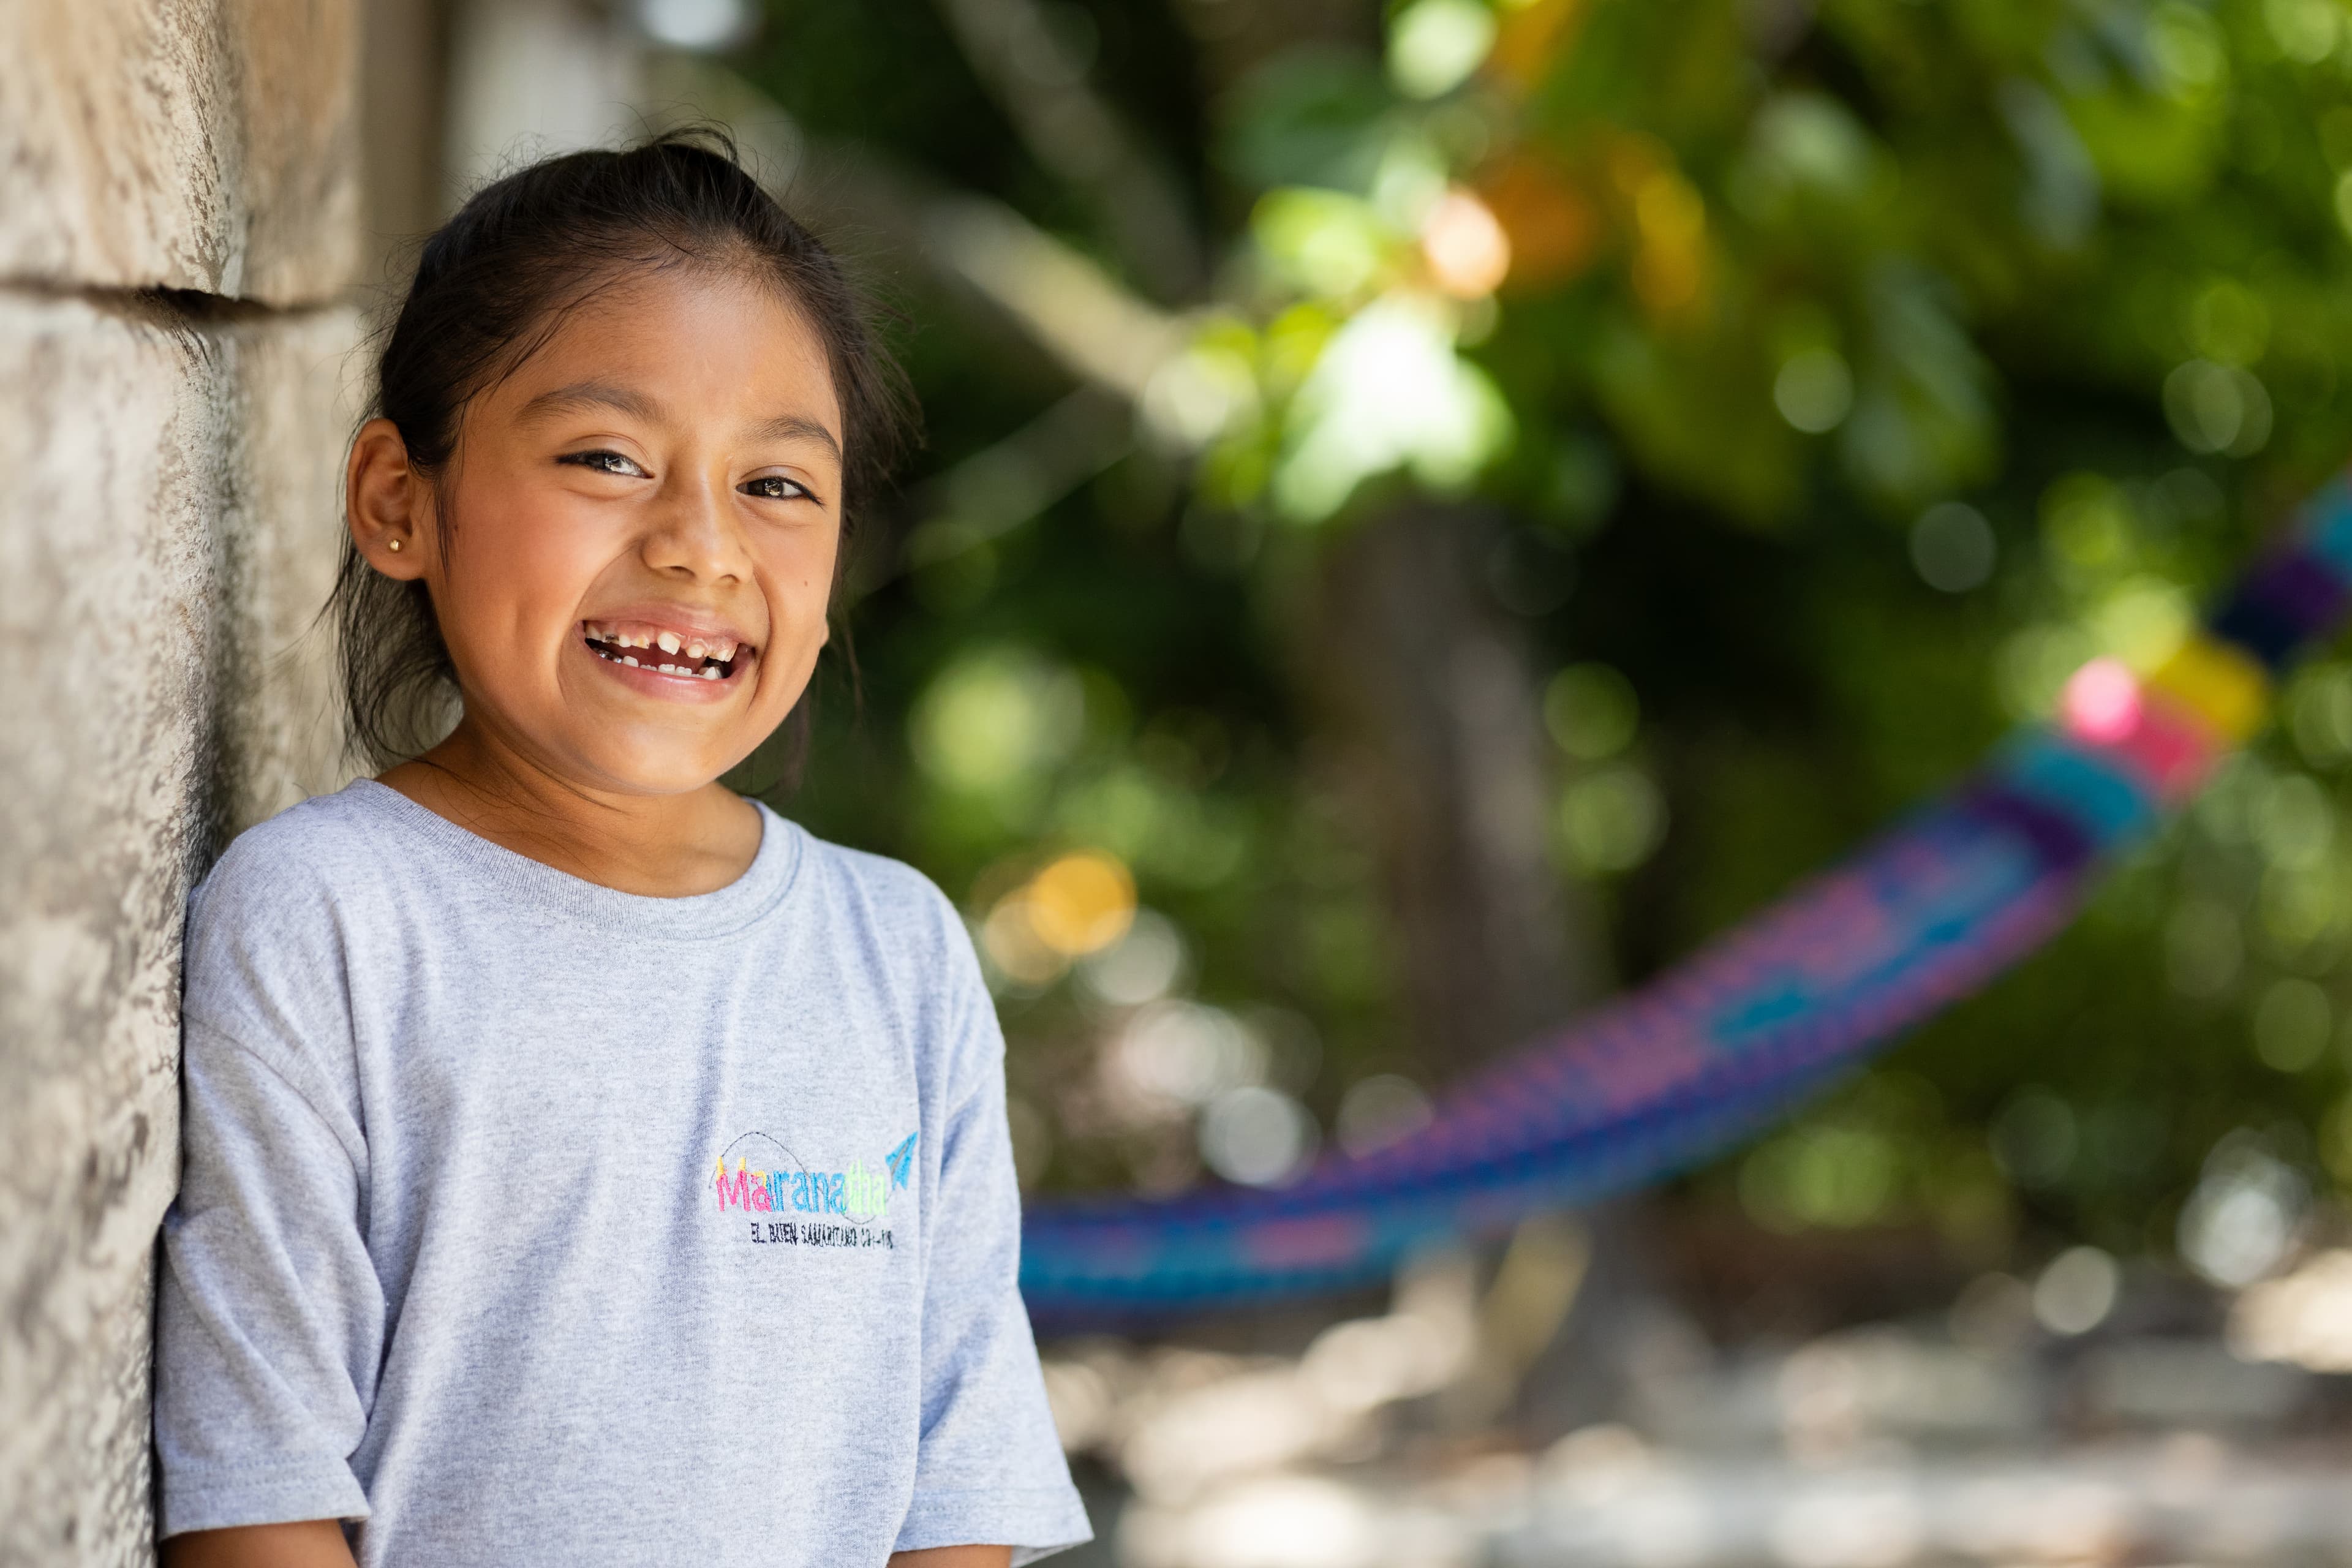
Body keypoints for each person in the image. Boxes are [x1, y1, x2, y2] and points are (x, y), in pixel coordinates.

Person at [153, 130, 1091, 1568]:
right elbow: (256, 1484)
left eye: (778, 485)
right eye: (607, 456)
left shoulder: (896, 952)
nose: (703, 546)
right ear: (400, 499)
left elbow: (961, 1484)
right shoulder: (324, 920)